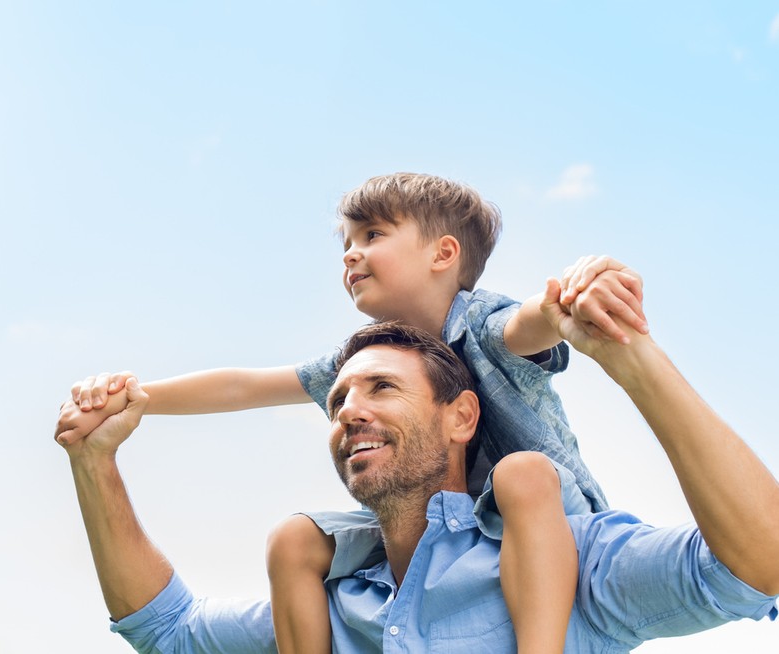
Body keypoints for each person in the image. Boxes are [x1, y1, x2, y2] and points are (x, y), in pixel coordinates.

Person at [60, 173, 647, 653]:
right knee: (295, 540)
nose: (351, 252)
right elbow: (244, 387)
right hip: (435, 530)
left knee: (521, 473)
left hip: (539, 516)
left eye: (371, 235)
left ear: (444, 253)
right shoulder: (364, 364)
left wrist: (565, 300)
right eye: (346, 241)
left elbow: (529, 327)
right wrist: (138, 397)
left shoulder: (484, 323)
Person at [54, 284, 779, 652]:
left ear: (463, 417)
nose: (348, 413)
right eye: (337, 401)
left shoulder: (562, 568)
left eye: (381, 389)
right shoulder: (329, 610)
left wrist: (631, 355)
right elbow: (168, 632)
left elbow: (757, 564)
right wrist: (95, 462)